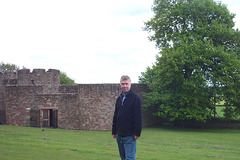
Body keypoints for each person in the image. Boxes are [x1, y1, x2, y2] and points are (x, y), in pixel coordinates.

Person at [112, 75, 142, 160]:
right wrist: (114, 131)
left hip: (129, 136)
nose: (125, 86)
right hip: (119, 135)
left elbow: (138, 117)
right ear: (120, 85)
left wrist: (137, 132)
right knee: (123, 157)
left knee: (129, 158)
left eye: (126, 84)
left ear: (130, 84)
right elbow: (116, 116)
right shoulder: (119, 98)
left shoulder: (135, 98)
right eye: (123, 84)